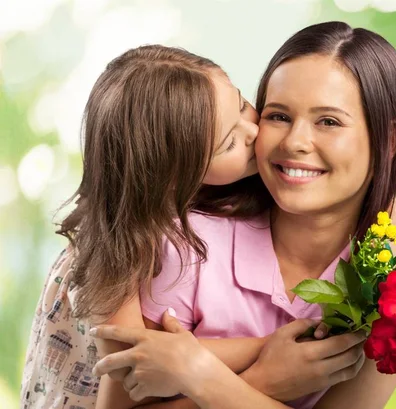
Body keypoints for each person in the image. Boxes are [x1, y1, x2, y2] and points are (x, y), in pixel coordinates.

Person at [20, 44, 367, 409]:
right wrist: (266, 364)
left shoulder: (233, 194)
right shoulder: (115, 249)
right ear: (173, 174)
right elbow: (135, 370)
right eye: (230, 141)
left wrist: (194, 363)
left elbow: (395, 212)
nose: (255, 132)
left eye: (242, 104)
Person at [93, 21, 396, 409]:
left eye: (328, 121)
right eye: (278, 115)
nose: (295, 142)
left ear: (389, 140)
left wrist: (198, 371)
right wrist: (267, 377)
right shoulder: (187, 244)